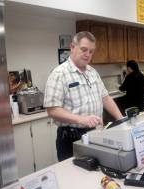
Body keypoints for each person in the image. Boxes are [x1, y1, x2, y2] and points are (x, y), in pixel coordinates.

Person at [44, 31, 123, 161]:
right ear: (72, 47)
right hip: (71, 138)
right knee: (75, 179)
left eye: (91, 51)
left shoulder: (93, 72)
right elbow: (52, 110)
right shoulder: (59, 74)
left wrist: (121, 120)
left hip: (95, 133)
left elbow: (105, 98)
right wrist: (81, 119)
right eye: (84, 49)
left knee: (94, 175)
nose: (88, 55)